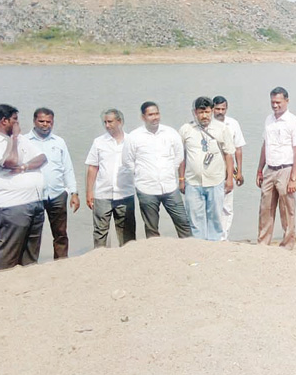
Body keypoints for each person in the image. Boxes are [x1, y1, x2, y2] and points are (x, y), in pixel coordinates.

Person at [0, 104, 48, 270]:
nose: (18, 124)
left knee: (31, 254)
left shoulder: (23, 139)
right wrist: (14, 140)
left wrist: (24, 167)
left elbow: (41, 158)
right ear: (4, 121)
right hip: (11, 205)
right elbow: (9, 162)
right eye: (15, 120)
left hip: (35, 201)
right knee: (9, 253)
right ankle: (2, 288)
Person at [122, 101, 192, 239]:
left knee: (183, 222)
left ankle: (190, 250)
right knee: (151, 227)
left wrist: (171, 170)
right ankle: (154, 255)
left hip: (170, 186)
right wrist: (141, 173)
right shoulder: (134, 137)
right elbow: (127, 161)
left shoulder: (170, 133)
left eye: (157, 113)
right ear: (143, 117)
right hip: (146, 188)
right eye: (150, 114)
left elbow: (179, 155)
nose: (155, 117)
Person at [25, 108, 80, 259]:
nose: (45, 125)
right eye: (41, 121)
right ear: (34, 121)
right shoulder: (24, 141)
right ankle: (29, 266)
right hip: (33, 196)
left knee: (60, 233)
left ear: (53, 122)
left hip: (57, 194)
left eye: (49, 122)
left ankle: (61, 263)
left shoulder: (59, 142)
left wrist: (74, 192)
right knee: (32, 235)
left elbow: (67, 168)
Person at [255, 86, 296, 250]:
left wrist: (293, 178)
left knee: (287, 209)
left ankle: (287, 244)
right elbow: (265, 145)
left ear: (286, 101)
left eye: (278, 102)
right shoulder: (269, 120)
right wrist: (259, 169)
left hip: (286, 169)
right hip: (270, 168)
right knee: (265, 208)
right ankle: (263, 242)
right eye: (272, 102)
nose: (275, 105)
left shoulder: (295, 123)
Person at [180, 97, 236, 241]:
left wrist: (230, 179)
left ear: (211, 111)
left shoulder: (221, 128)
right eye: (201, 112)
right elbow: (181, 157)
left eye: (207, 112)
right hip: (193, 182)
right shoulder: (186, 129)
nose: (204, 116)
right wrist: (181, 179)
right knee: (195, 218)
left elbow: (229, 154)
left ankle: (214, 245)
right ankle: (199, 247)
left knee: (215, 217)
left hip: (216, 181)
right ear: (194, 112)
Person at [84, 109, 136, 248]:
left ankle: (129, 259)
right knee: (100, 231)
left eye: (110, 122)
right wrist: (89, 192)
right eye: (105, 122)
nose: (107, 125)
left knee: (127, 232)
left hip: (126, 193)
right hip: (103, 193)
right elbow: (92, 167)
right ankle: (100, 260)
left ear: (120, 121)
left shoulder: (132, 141)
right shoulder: (99, 142)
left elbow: (140, 166)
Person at [213, 95, 246, 240]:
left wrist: (239, 171)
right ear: (212, 109)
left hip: (229, 170)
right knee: (212, 205)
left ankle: (224, 237)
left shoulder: (233, 124)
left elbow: (238, 148)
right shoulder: (207, 124)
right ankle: (211, 235)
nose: (220, 112)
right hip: (211, 170)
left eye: (223, 109)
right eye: (217, 109)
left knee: (227, 206)